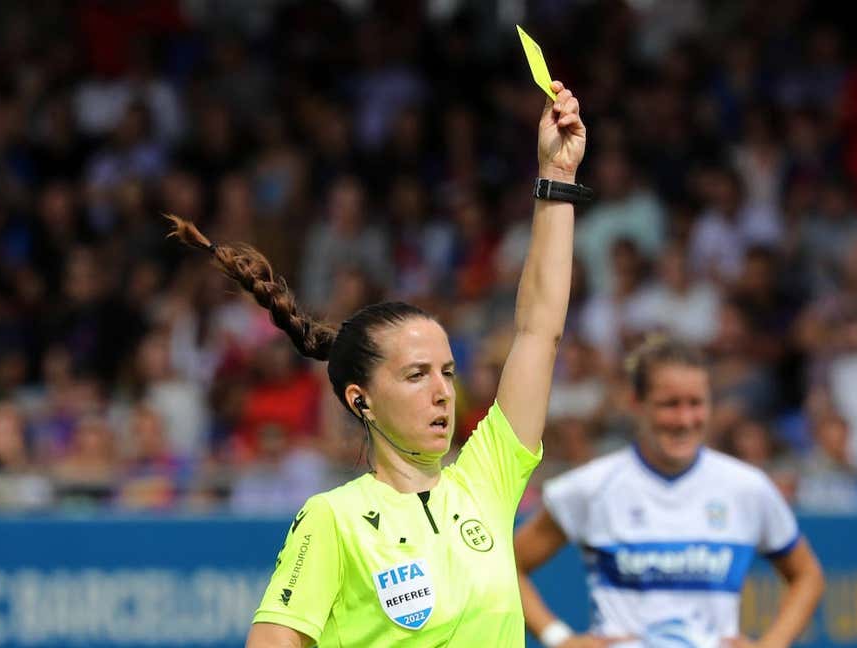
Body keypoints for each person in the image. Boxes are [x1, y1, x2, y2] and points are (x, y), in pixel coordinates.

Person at [167, 80, 587, 648]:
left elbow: (539, 330)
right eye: (416, 375)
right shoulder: (333, 520)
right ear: (359, 398)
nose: (441, 391)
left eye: (447, 372)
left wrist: (556, 178)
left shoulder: (487, 482)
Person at [515, 338, 824, 648]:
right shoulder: (591, 487)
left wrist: (771, 644)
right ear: (637, 403)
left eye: (696, 403)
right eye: (670, 404)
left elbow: (807, 575)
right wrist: (559, 639)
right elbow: (507, 567)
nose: (685, 420)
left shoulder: (748, 488)